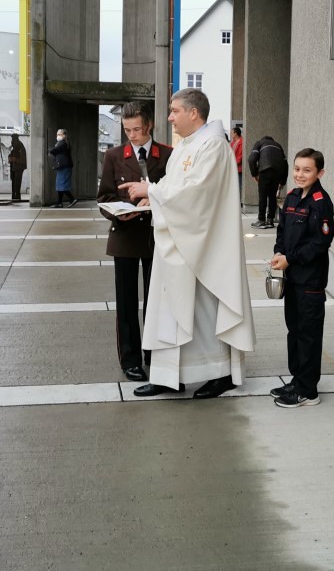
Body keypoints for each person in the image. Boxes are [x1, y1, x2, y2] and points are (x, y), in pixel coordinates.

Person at [119, 89, 255, 399]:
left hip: (203, 246)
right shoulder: (185, 146)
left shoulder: (213, 146)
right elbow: (173, 186)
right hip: (177, 240)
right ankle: (169, 376)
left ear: (194, 113)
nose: (169, 117)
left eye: (175, 110)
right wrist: (151, 196)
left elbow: (198, 194)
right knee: (169, 310)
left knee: (202, 312)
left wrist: (152, 192)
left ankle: (219, 373)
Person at [97, 102, 173, 382]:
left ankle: (154, 353)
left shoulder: (167, 155)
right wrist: (119, 212)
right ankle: (130, 360)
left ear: (149, 125)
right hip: (125, 236)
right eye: (127, 130)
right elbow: (104, 198)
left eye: (137, 129)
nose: (132, 135)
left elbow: (173, 193)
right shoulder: (114, 156)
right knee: (126, 302)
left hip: (157, 237)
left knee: (157, 300)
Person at [269, 148, 334, 408]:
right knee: (294, 331)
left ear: (320, 173)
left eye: (307, 170)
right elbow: (282, 230)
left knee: (308, 335)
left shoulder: (320, 202)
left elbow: (320, 242)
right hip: (292, 280)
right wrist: (279, 251)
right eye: (297, 169)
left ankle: (308, 391)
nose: (300, 174)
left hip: (310, 283)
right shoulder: (292, 197)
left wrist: (291, 258)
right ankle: (297, 380)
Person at [247, 134, 287, 229]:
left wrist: (254, 174)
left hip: (265, 170)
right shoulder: (278, 145)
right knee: (272, 196)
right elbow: (286, 164)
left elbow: (251, 159)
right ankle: (270, 220)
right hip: (277, 172)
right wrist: (283, 181)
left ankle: (261, 220)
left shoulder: (259, 143)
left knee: (263, 195)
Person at [48, 128, 75, 208]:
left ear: (64, 135)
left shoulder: (63, 143)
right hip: (62, 167)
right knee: (60, 185)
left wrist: (48, 149)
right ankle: (59, 203)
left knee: (62, 184)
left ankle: (72, 199)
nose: (58, 136)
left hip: (64, 167)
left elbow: (54, 150)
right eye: (57, 134)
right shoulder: (61, 143)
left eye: (59, 134)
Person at [7, 134, 27, 201]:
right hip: (14, 167)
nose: (11, 141)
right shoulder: (15, 147)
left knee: (17, 182)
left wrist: (14, 159)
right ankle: (14, 195)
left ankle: (17, 195)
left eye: (12, 139)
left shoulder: (19, 146)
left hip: (18, 167)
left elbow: (22, 158)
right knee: (14, 181)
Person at [230, 125, 244, 199]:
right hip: (233, 167)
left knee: (239, 185)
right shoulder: (233, 143)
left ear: (236, 133)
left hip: (239, 168)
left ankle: (239, 200)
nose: (231, 134)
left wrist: (233, 163)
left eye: (232, 132)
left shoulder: (242, 142)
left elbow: (240, 156)